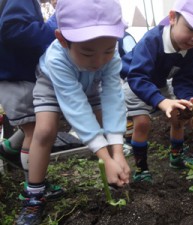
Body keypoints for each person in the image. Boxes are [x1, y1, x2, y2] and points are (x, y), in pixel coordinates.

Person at [16, 0, 130, 224]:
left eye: (108, 50)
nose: (98, 61)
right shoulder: (57, 58)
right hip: (52, 83)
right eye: (88, 53)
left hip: (90, 85)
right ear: (62, 39)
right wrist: (104, 156)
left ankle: (115, 172)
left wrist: (116, 151)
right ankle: (34, 195)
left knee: (104, 129)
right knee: (45, 131)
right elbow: (76, 105)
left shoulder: (110, 58)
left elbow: (113, 98)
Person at [121, 0, 193, 183]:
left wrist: (189, 100)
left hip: (159, 84)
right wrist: (161, 101)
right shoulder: (152, 40)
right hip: (135, 82)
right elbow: (137, 76)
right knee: (142, 123)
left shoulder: (189, 51)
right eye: (191, 28)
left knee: (179, 116)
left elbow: (183, 79)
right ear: (173, 18)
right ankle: (141, 169)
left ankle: (176, 158)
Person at [0, 0, 64, 201]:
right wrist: (52, 26)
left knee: (29, 123)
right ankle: (34, 188)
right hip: (16, 75)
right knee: (36, 130)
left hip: (13, 75)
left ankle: (9, 149)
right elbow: (13, 29)